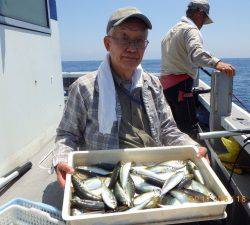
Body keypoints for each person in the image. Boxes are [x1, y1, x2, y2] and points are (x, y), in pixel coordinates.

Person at [53, 7, 207, 188]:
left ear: (145, 45)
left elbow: (168, 129)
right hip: (106, 179)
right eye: (124, 38)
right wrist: (61, 160)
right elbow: (67, 134)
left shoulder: (153, 84)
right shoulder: (83, 88)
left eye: (139, 40)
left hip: (151, 175)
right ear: (107, 43)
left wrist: (193, 147)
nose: (132, 48)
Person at [161, 0, 235, 136]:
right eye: (204, 19)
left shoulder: (170, 32)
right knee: (189, 129)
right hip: (181, 87)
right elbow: (197, 54)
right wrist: (217, 63)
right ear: (200, 13)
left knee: (174, 127)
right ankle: (194, 155)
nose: (202, 25)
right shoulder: (191, 29)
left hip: (166, 88)